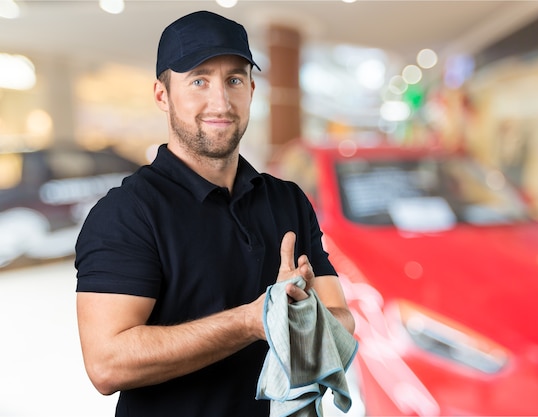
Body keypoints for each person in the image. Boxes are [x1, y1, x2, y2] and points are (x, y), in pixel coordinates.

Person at [75, 10, 355, 417]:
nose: (220, 101)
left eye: (234, 80)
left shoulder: (288, 200)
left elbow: (342, 321)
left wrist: (299, 314)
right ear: (162, 95)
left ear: (252, 90)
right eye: (199, 80)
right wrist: (250, 321)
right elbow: (107, 363)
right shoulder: (127, 213)